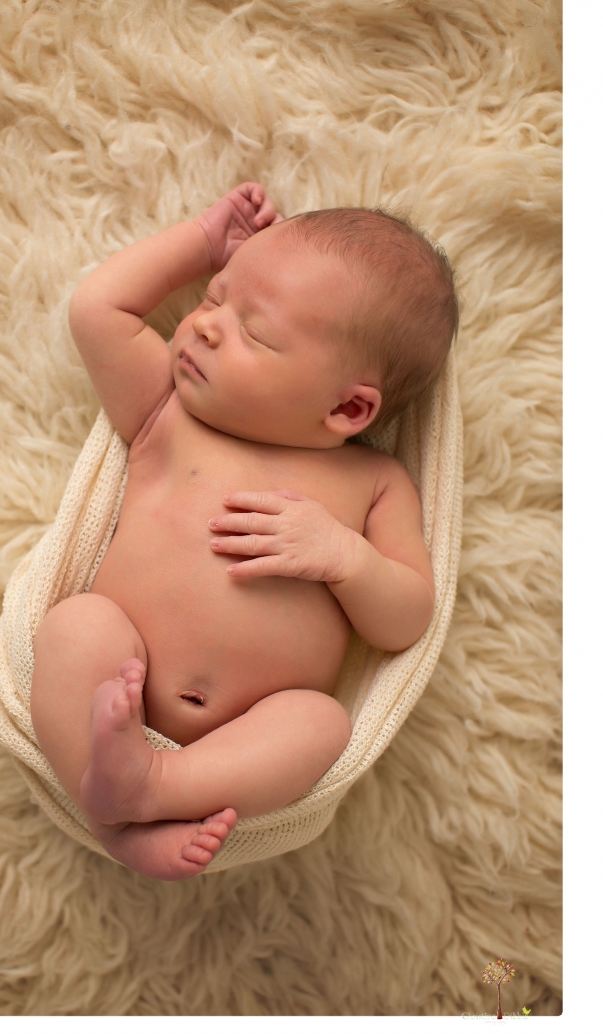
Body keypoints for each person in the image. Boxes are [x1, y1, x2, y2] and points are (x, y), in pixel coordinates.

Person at [30, 182, 458, 880]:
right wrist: (204, 242)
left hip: (242, 744)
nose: (201, 324)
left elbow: (406, 618)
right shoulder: (167, 415)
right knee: (76, 627)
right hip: (118, 694)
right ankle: (114, 808)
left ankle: (154, 789)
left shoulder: (374, 485)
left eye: (254, 331)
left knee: (321, 725)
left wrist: (344, 557)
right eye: (212, 298)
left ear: (349, 408)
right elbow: (97, 310)